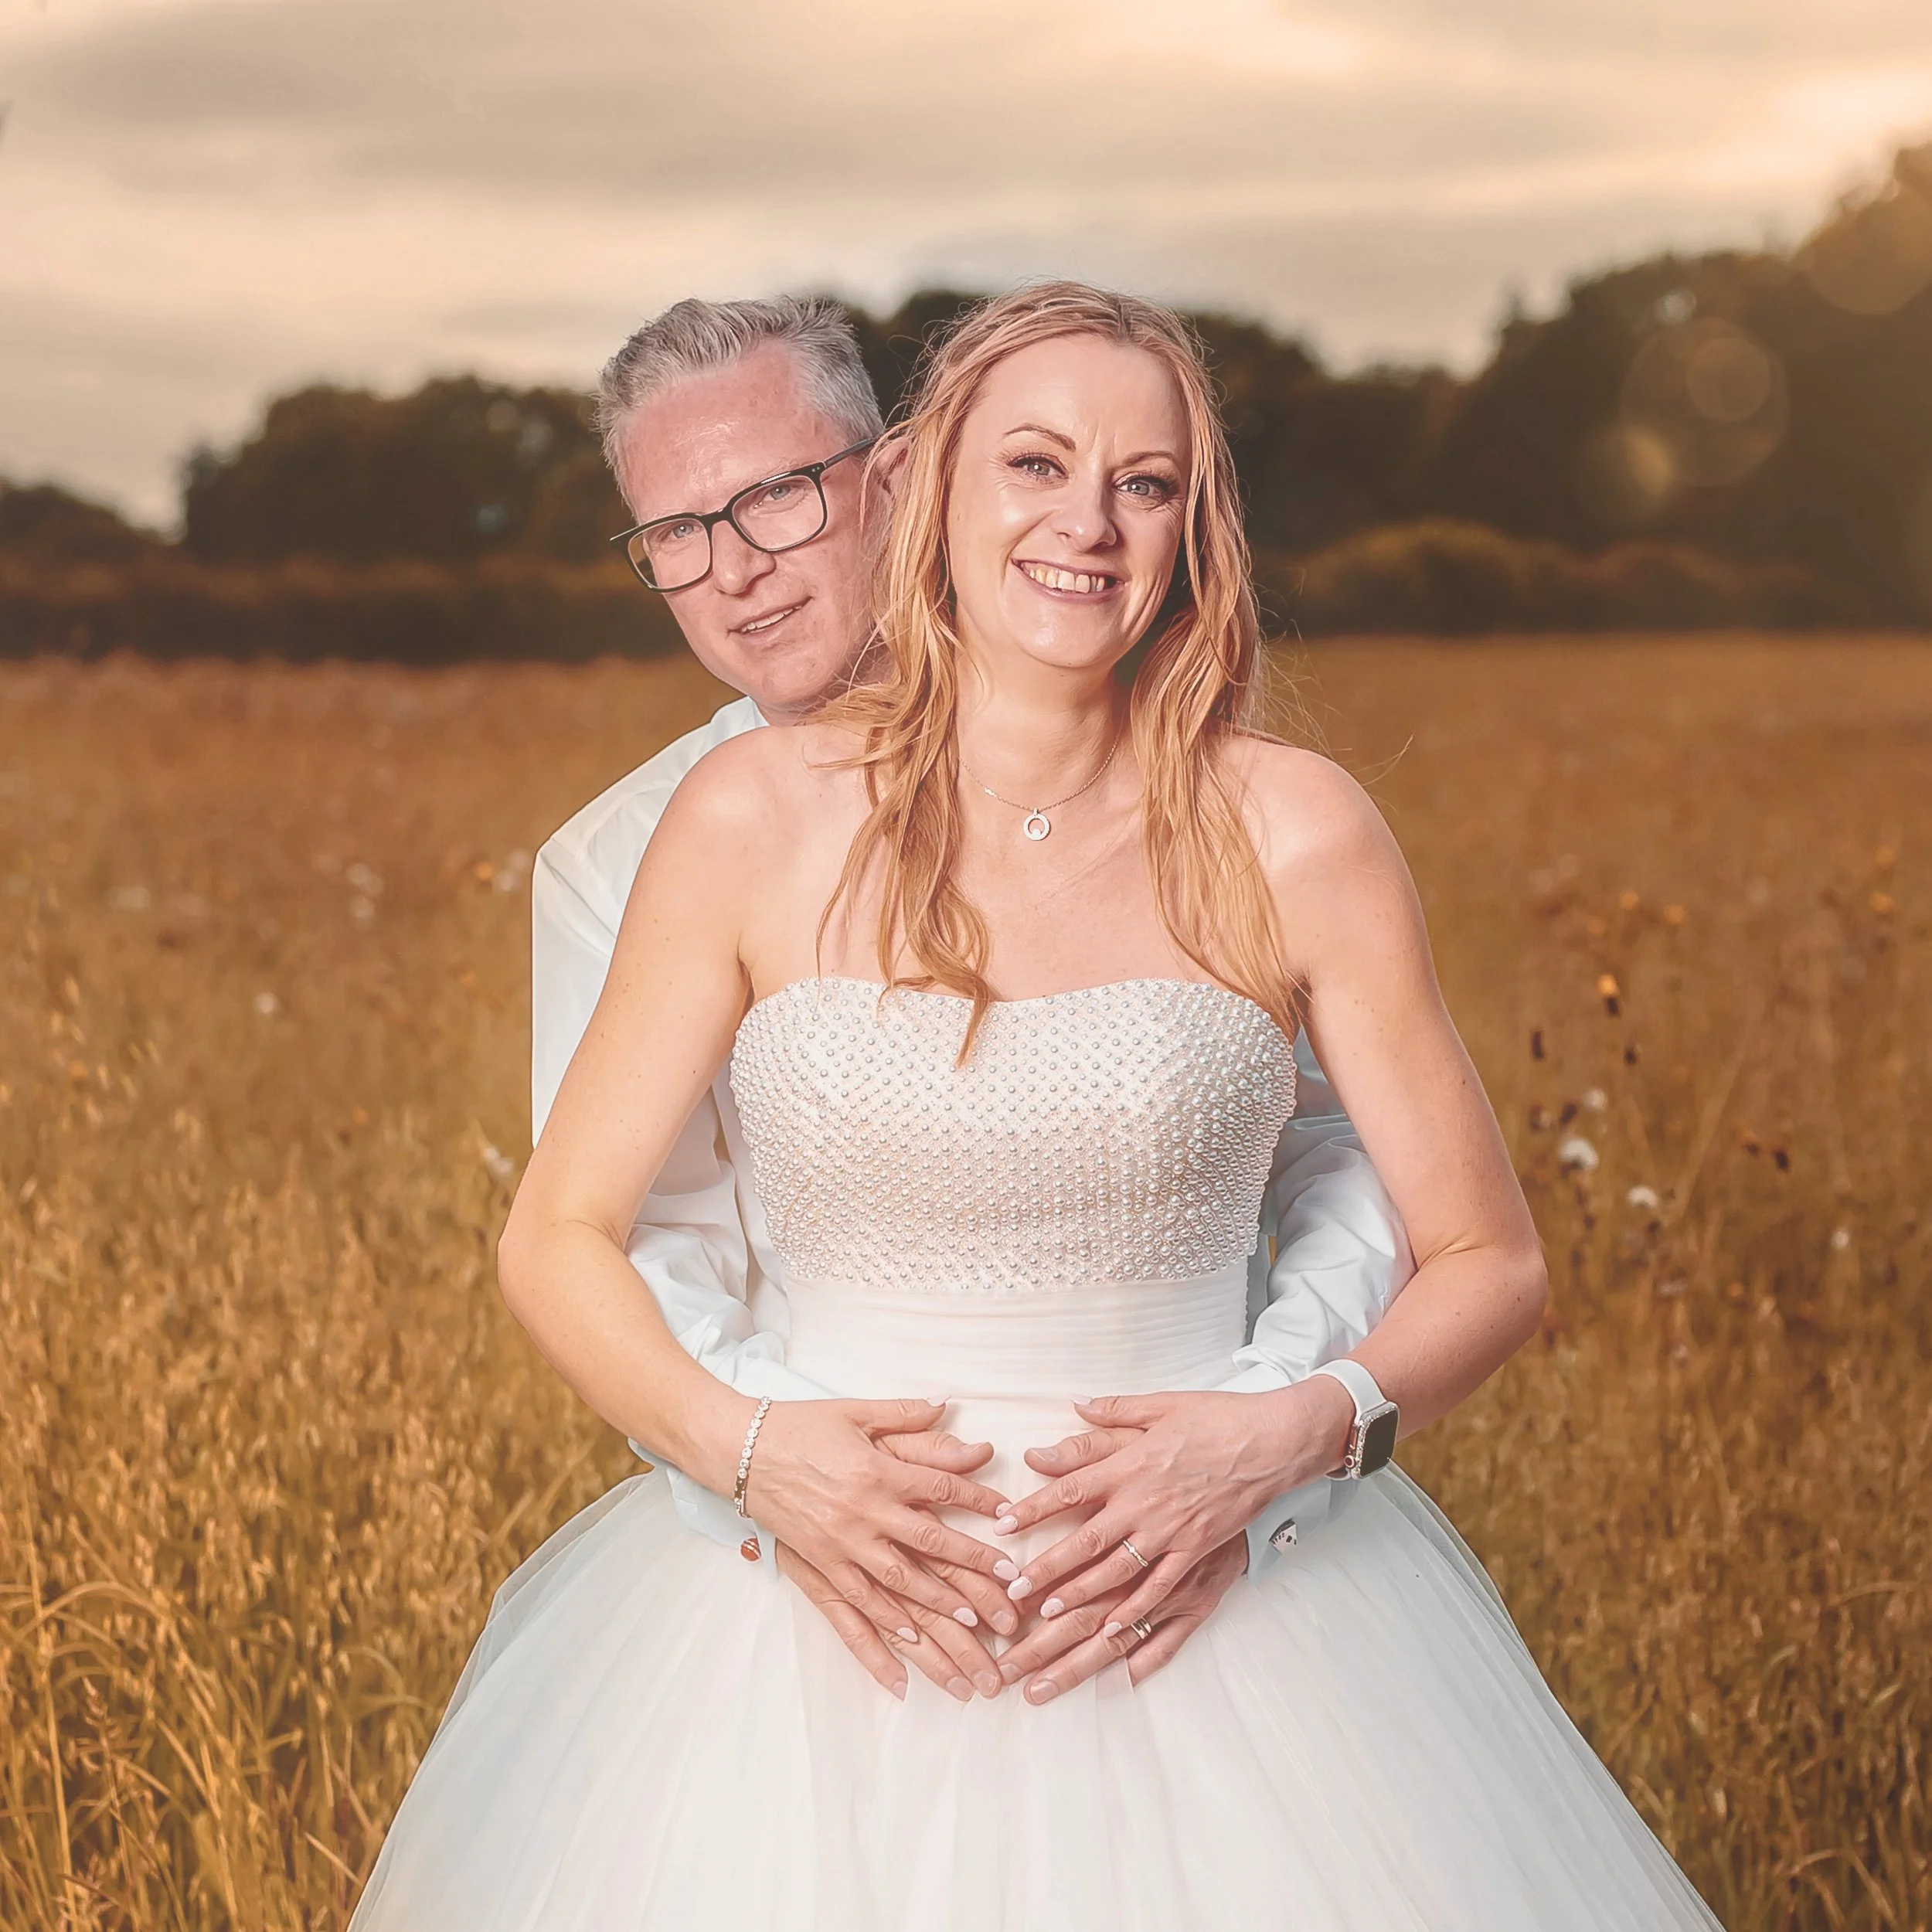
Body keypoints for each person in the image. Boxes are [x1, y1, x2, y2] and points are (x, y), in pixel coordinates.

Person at [352, 283, 1721, 1928]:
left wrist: (1279, 1437)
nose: (1088, 518)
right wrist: (769, 1468)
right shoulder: (706, 829)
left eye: (1143, 482)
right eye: (1036, 464)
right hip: (811, 1597)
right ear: (949, 480)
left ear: (883, 476)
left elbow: (1454, 1233)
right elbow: (580, 1239)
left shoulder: (1292, 826)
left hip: (1222, 1577)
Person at [526, 295, 1411, 1707]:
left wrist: (1265, 1451)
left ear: (897, 477)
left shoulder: (1239, 807)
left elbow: (1341, 1157)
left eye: (773, 498)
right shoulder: (625, 858)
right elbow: (633, 1248)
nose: (737, 570)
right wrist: (794, 1503)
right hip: (838, 1577)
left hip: (1183, 1538)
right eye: (676, 536)